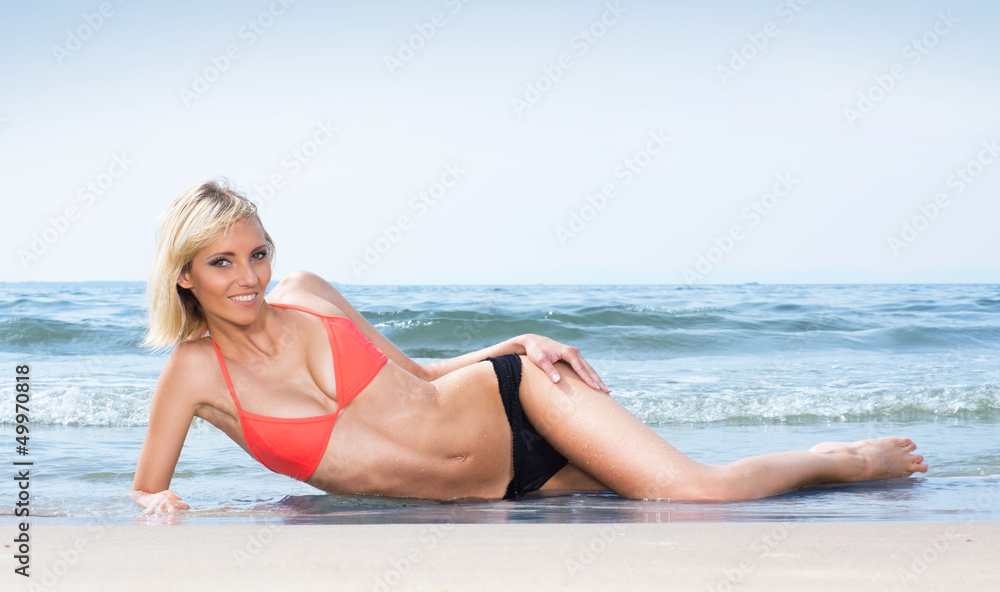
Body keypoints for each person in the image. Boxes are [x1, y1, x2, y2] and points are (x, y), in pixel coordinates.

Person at [131, 180, 928, 514]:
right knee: (641, 507)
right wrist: (158, 506)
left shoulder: (307, 291)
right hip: (502, 490)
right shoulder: (193, 375)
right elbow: (146, 491)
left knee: (696, 497)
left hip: (515, 396)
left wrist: (511, 344)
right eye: (222, 262)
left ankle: (844, 459)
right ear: (186, 278)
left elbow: (415, 376)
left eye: (256, 252)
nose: (249, 277)